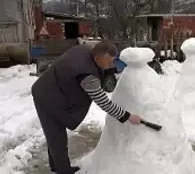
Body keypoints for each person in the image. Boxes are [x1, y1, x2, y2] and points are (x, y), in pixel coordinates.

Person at [31, 40, 142, 174]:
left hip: (56, 89)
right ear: (97, 58)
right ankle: (63, 170)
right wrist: (127, 116)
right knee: (57, 137)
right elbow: (104, 102)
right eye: (108, 61)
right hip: (46, 97)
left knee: (54, 136)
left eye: (113, 60)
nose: (111, 64)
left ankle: (56, 166)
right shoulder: (87, 75)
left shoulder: (86, 50)